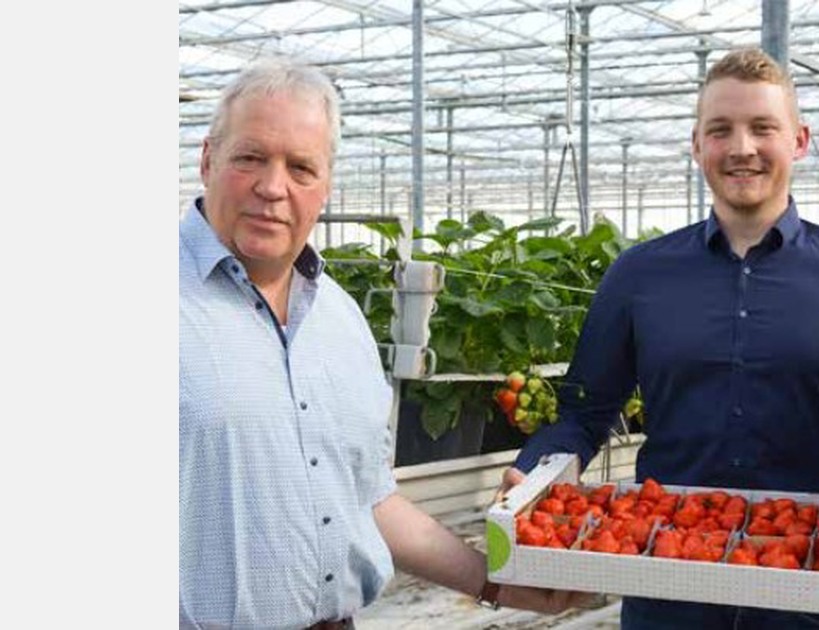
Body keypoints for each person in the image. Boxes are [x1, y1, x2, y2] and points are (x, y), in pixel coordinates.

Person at [499, 48, 819, 629]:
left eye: (763, 128)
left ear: (799, 140)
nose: (742, 148)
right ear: (697, 143)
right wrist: (535, 476)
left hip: (815, 587)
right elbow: (583, 413)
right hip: (666, 585)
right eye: (721, 130)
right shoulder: (639, 275)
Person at [179, 58, 584, 629]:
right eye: (250, 157)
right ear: (207, 159)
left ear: (325, 186)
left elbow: (369, 500)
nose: (272, 187)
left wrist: (495, 578)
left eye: (300, 167)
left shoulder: (340, 319)